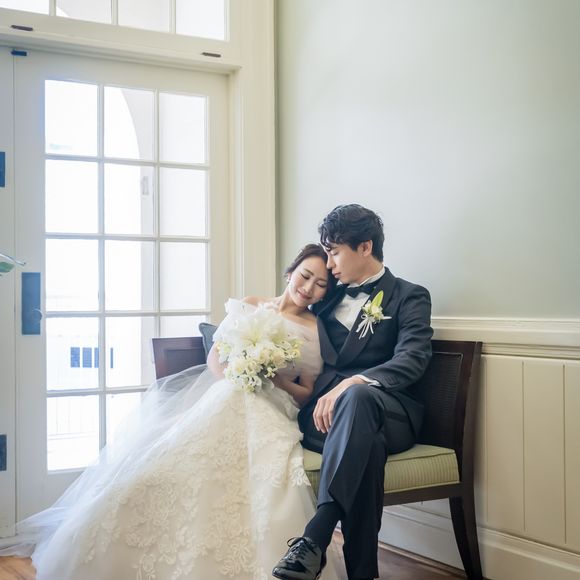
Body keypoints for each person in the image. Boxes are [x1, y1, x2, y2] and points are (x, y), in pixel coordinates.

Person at [2, 244, 343, 580]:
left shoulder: (314, 329)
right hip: (229, 392)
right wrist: (241, 374)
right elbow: (216, 359)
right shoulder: (252, 304)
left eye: (320, 285)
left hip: (272, 407)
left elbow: (305, 392)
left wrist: (273, 378)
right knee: (160, 465)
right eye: (305, 276)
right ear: (290, 272)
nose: (308, 288)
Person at [273, 205, 433, 580]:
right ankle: (362, 574)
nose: (328, 264)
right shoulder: (327, 295)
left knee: (358, 400)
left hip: (389, 412)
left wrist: (355, 381)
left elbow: (413, 358)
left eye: (334, 252)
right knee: (367, 446)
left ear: (364, 247)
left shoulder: (409, 296)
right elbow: (287, 310)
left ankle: (315, 534)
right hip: (323, 420)